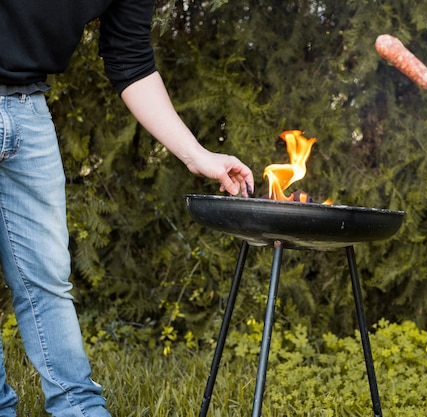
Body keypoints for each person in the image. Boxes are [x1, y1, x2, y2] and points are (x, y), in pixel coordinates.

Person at [0, 1, 254, 416]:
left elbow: (130, 59)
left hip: (28, 109)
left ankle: (79, 407)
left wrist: (195, 155)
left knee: (46, 278)